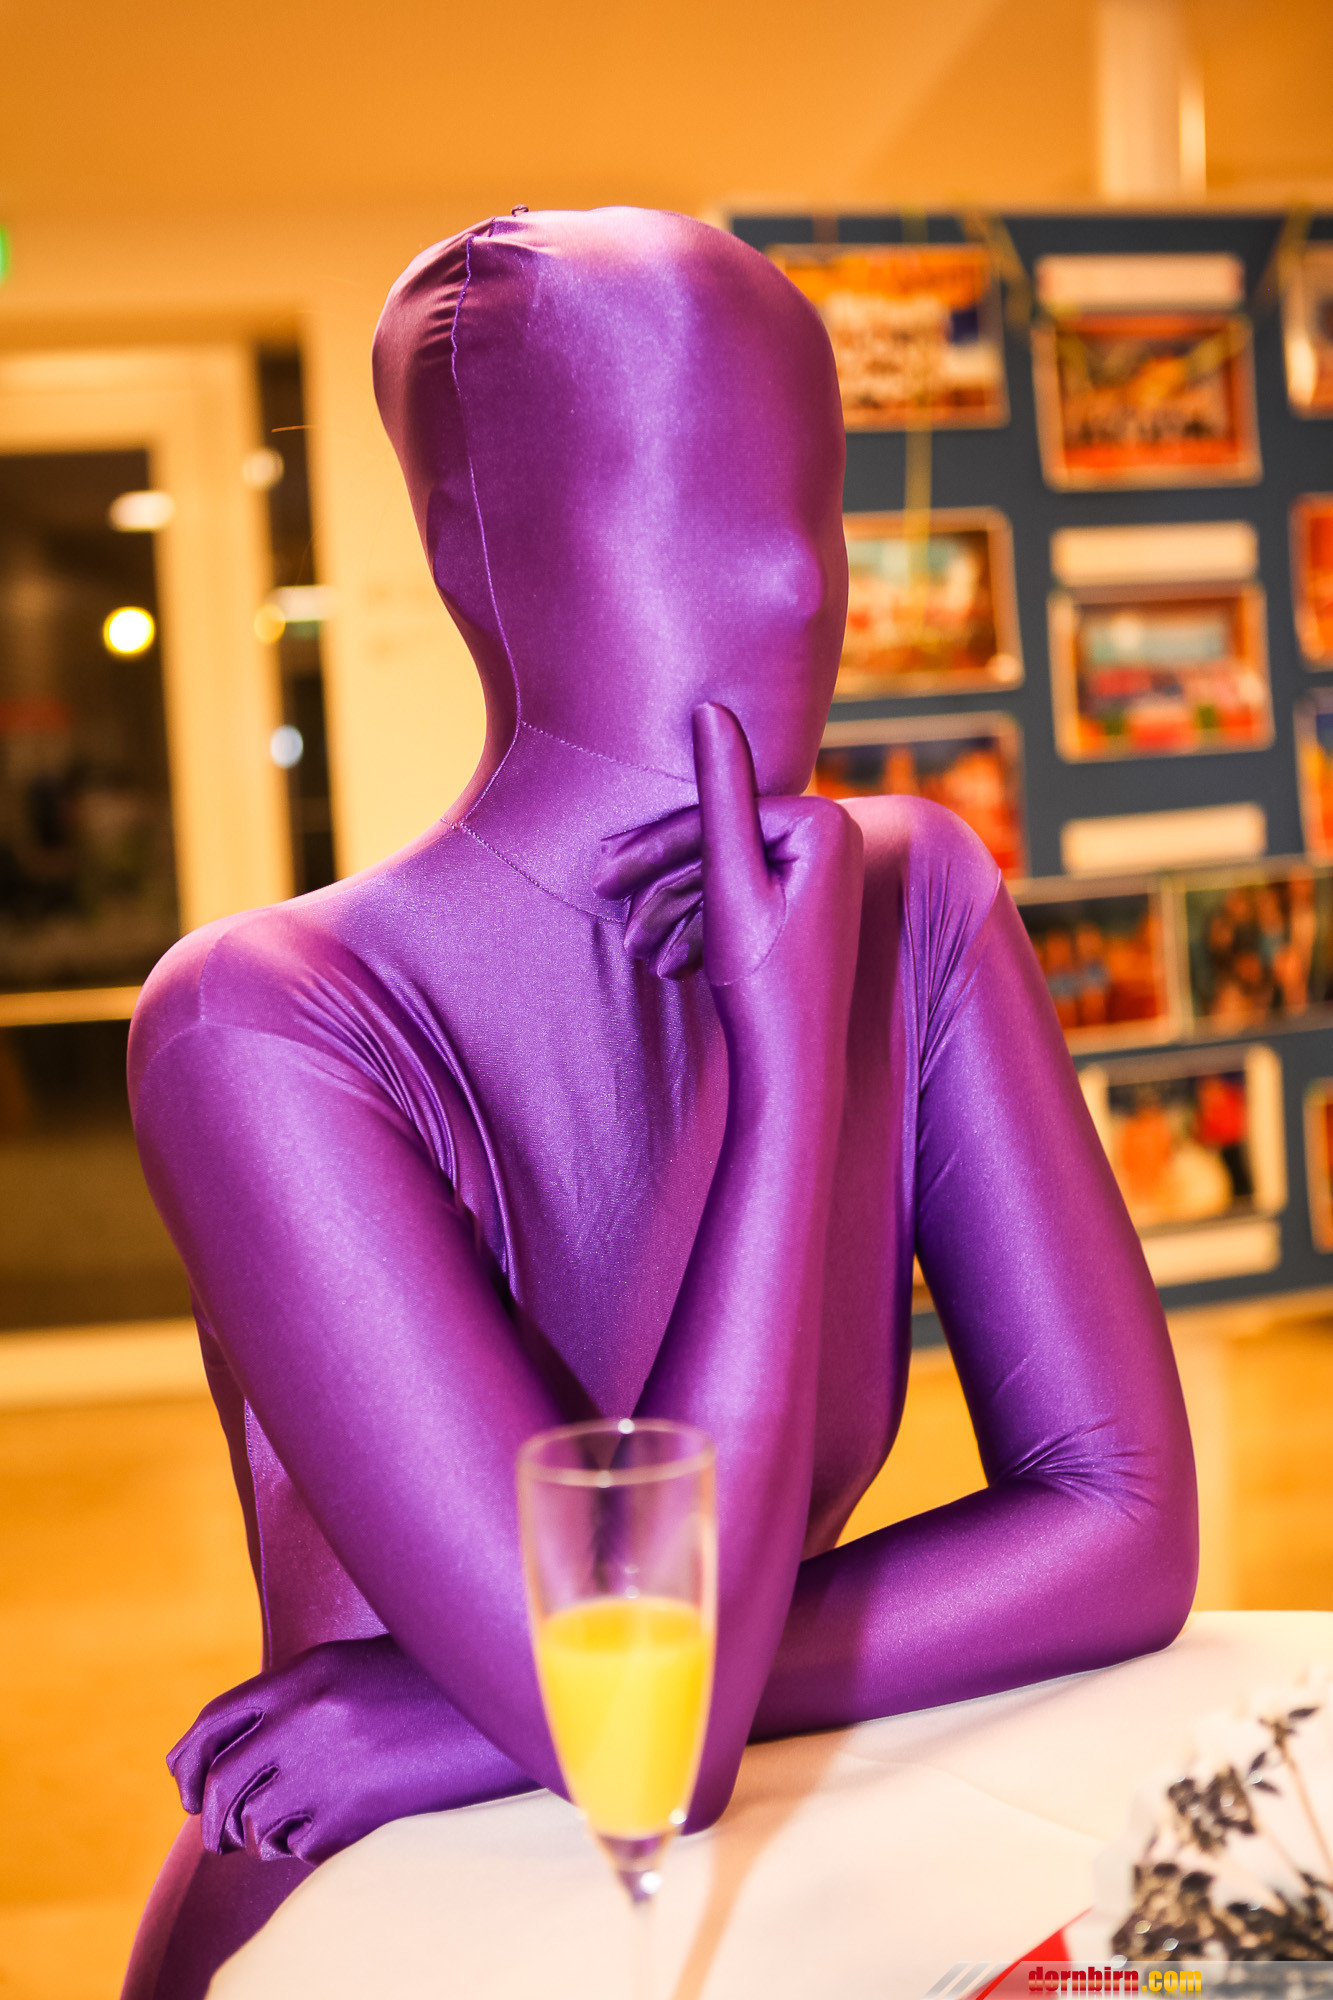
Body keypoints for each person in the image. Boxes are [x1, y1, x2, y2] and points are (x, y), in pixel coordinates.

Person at [120, 208, 1197, 2000]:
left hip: (750, 1895)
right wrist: (781, 1089)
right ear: (471, 543)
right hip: (381, 1931)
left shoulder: (913, 895)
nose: (789, 580)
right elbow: (651, 1742)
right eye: (687, 502)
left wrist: (468, 1716)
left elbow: (1123, 1530)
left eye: (810, 502)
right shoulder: (263, 1023)